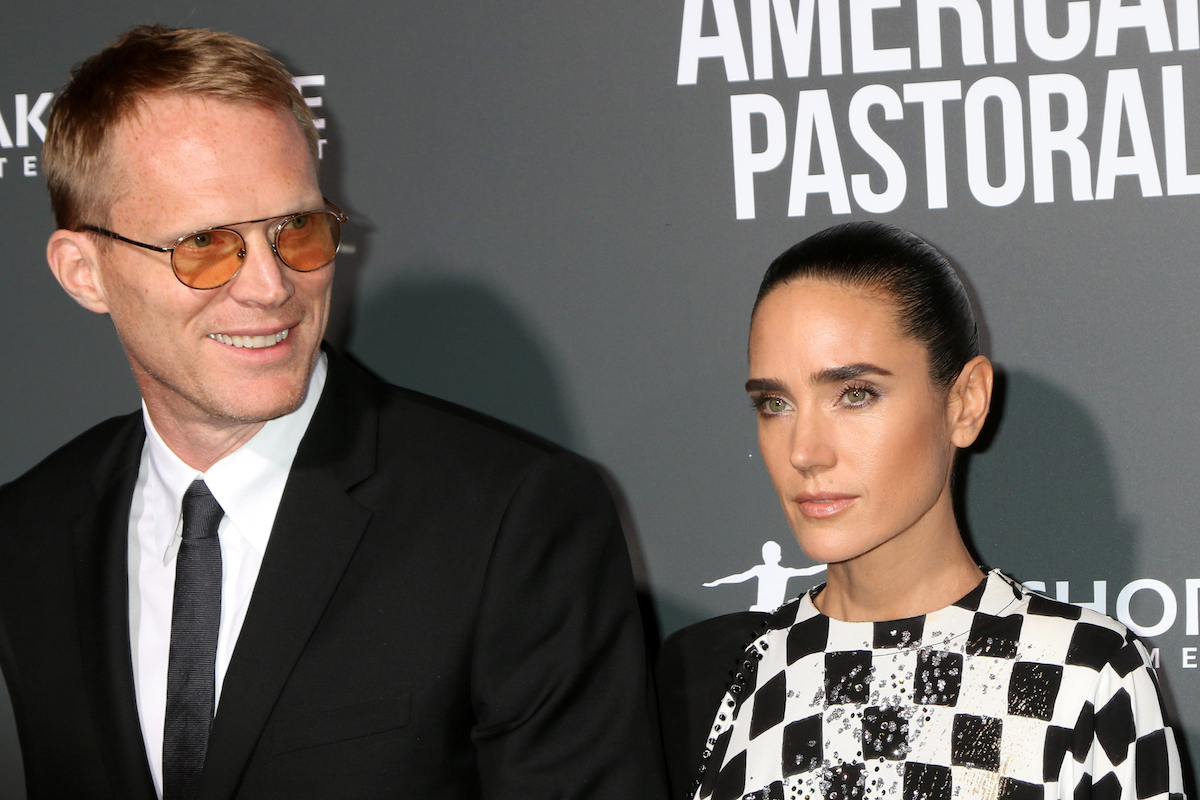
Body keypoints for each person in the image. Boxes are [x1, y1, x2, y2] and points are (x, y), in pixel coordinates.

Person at [0, 25, 667, 800]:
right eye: (206, 243)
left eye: (298, 231)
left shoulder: (509, 518)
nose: (270, 286)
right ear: (84, 272)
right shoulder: (28, 535)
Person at [656, 222, 1184, 800]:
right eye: (775, 403)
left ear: (965, 403)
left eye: (854, 393)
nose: (804, 451)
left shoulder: (1086, 674)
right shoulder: (713, 677)